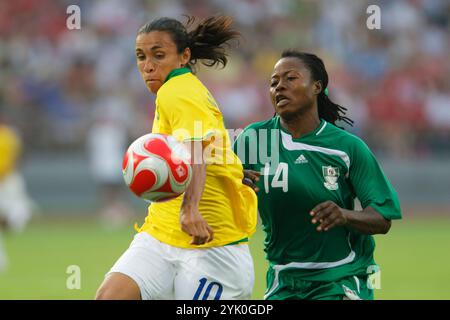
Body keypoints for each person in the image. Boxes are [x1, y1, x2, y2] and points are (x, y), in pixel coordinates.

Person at [96, 16, 257, 300]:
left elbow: (195, 147)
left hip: (212, 243)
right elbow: (204, 147)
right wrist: (229, 171)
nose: (148, 65)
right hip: (161, 233)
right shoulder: (180, 90)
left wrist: (189, 209)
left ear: (184, 56)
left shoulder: (177, 91)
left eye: (159, 55)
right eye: (141, 57)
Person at [233, 50, 402, 300]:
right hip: (284, 279)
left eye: (290, 78)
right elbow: (218, 189)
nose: (280, 87)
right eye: (274, 82)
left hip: (341, 278)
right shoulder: (254, 140)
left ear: (317, 87)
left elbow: (382, 218)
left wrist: (344, 215)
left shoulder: (347, 147)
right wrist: (233, 182)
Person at [0, 121, 33, 272]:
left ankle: (10, 224)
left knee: (21, 211)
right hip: (7, 178)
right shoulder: (9, 135)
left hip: (8, 179)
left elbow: (15, 157)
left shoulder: (8, 135)